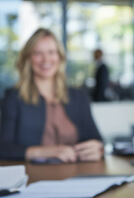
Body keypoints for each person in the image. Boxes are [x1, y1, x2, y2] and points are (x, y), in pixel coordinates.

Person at [0, 28, 104, 162]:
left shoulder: (78, 97)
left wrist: (98, 149)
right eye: (37, 53)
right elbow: (3, 148)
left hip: (78, 175)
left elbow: (96, 140)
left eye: (51, 52)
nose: (46, 59)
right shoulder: (14, 98)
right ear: (28, 58)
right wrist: (44, 151)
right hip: (33, 177)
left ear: (60, 57)